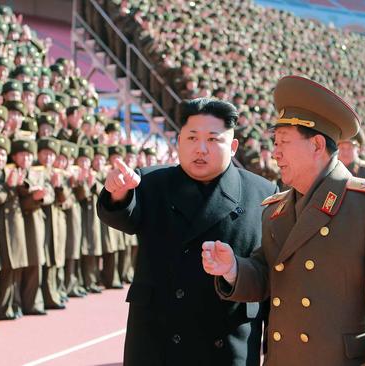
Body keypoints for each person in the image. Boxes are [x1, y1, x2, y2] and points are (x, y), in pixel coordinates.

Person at [202, 76, 365, 365]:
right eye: (275, 142)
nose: (275, 152)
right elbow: (268, 276)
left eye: (284, 142)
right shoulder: (276, 209)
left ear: (317, 145)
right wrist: (233, 269)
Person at [97, 98, 276, 366]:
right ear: (179, 141)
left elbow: (269, 272)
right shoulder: (150, 183)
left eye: (213, 140)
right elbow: (124, 216)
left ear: (233, 146)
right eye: (191, 137)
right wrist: (119, 193)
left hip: (228, 342)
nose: (200, 149)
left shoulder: (262, 194)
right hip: (158, 340)